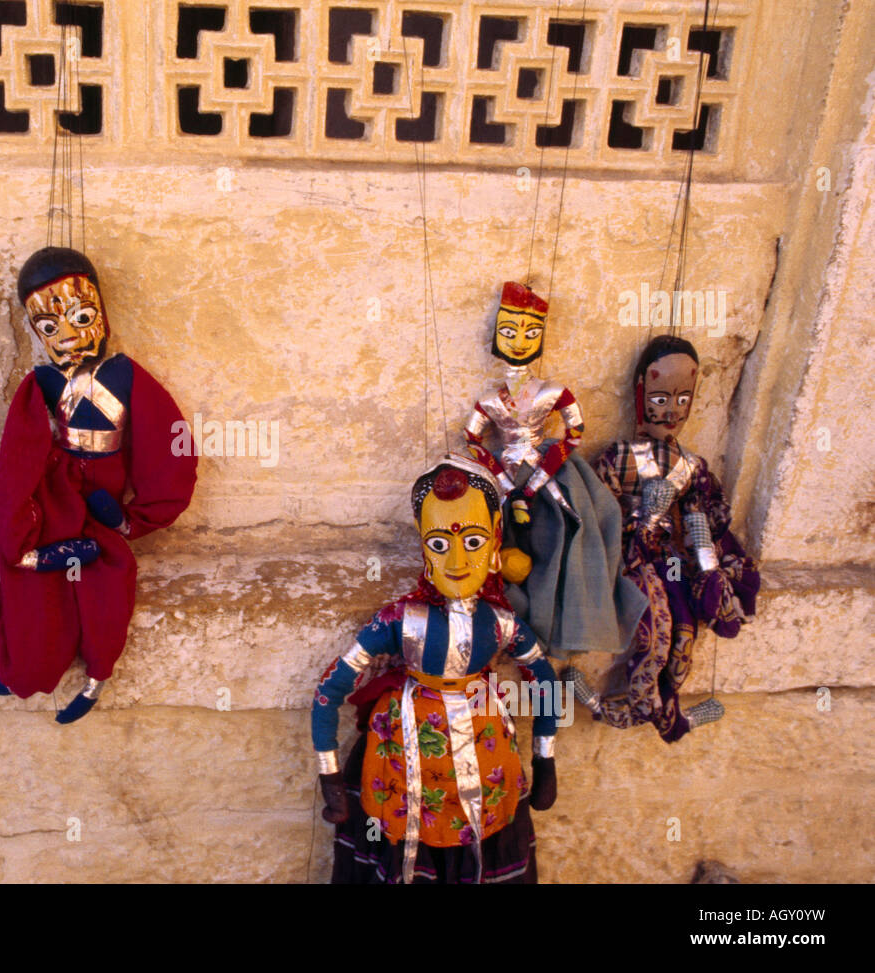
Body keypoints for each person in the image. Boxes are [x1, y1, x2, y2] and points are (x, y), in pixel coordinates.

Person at [311, 454, 559, 883]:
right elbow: (328, 692)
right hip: (403, 766)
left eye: (475, 542)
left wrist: (546, 761)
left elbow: (545, 680)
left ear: (497, 542)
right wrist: (330, 777)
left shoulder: (500, 624)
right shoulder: (400, 623)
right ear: (424, 545)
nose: (458, 561)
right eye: (440, 544)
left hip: (486, 764)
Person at [0, 247, 197, 723]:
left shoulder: (125, 374)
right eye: (49, 327)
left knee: (107, 589)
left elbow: (167, 443)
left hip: (103, 506)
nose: (69, 336)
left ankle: (96, 679)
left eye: (81, 316)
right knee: (30, 584)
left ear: (101, 311)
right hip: (57, 501)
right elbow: (19, 454)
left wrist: (130, 519)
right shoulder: (41, 381)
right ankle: (27, 665)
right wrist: (22, 520)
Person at [565, 335, 759, 742]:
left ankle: (656, 705)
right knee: (656, 635)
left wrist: (711, 575)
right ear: (640, 394)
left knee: (683, 633)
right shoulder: (619, 458)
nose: (671, 410)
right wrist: (640, 521)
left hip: (669, 560)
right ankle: (648, 709)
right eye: (659, 399)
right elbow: (599, 515)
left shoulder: (691, 467)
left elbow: (700, 522)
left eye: (682, 399)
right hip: (631, 558)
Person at [464, 282, 646, 657]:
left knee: (563, 533)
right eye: (509, 332)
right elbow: (473, 438)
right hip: (507, 478)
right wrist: (501, 479)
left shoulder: (552, 393)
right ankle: (504, 619)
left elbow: (575, 431)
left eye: (531, 333)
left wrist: (540, 478)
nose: (518, 342)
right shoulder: (489, 402)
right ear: (497, 335)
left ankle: (557, 613)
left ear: (541, 337)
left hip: (545, 476)